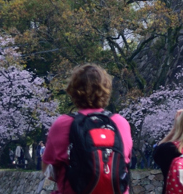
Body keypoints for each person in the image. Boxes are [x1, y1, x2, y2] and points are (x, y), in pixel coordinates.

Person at [42, 64, 133, 194]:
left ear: (73, 91)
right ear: (106, 90)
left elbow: (47, 168)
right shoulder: (120, 123)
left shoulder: (62, 124)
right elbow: (126, 161)